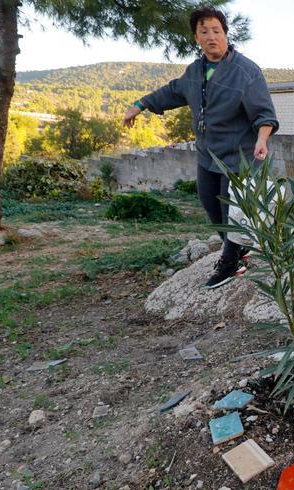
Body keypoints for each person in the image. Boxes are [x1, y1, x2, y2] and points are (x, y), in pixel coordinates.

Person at [122, 6, 278, 289]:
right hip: (208, 154)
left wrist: (262, 139)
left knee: (232, 209)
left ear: (226, 35)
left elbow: (264, 113)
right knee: (210, 203)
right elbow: (172, 91)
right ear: (196, 37)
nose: (211, 36)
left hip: (240, 156)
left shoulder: (246, 71)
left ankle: (230, 262)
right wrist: (140, 105)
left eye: (216, 31)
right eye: (204, 31)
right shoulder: (195, 71)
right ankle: (239, 249)